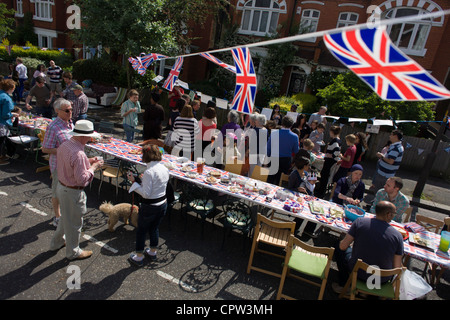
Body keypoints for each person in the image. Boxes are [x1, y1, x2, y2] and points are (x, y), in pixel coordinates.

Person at [49, 120, 104, 260]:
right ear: (83, 136)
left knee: (65, 219)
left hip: (62, 187)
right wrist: (94, 167)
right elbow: (82, 179)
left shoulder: (65, 145)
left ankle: (56, 243)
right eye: (89, 136)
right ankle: (73, 252)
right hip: (72, 191)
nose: (90, 139)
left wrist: (88, 160)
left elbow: (71, 163)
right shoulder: (79, 154)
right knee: (74, 224)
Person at [333, 201, 404, 292]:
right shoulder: (398, 236)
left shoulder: (360, 222)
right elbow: (397, 266)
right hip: (381, 280)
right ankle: (366, 293)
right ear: (388, 214)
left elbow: (343, 246)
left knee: (338, 246)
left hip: (358, 272)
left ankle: (345, 285)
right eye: (394, 213)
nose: (394, 215)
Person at [127, 145, 170, 267]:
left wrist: (133, 183)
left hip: (150, 206)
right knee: (154, 228)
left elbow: (146, 194)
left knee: (141, 230)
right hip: (162, 204)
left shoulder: (149, 172)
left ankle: (139, 257)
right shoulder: (164, 168)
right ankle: (152, 252)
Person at [42, 98, 74, 227]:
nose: (70, 112)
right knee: (57, 191)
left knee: (70, 190)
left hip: (71, 164)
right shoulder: (53, 127)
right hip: (59, 166)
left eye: (71, 109)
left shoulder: (71, 123)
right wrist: (63, 150)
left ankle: (67, 213)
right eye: (67, 110)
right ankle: (57, 216)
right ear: (57, 111)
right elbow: (45, 148)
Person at [267, 116, 299, 185]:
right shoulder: (295, 136)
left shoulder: (274, 133)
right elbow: (296, 150)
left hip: (273, 158)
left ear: (282, 123)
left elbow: (268, 148)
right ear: (291, 125)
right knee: (280, 181)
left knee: (270, 180)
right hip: (285, 160)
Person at [315, 125, 341, 198]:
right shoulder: (338, 140)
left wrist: (330, 155)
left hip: (329, 161)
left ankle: (321, 192)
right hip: (330, 161)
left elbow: (337, 152)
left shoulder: (335, 141)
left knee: (324, 176)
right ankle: (321, 190)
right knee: (324, 176)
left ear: (332, 132)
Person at [0, 79, 20, 165]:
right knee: (1, 141)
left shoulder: (1, 94)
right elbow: (5, 114)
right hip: (2, 123)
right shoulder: (7, 99)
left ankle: (3, 156)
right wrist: (13, 115)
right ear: (11, 88)